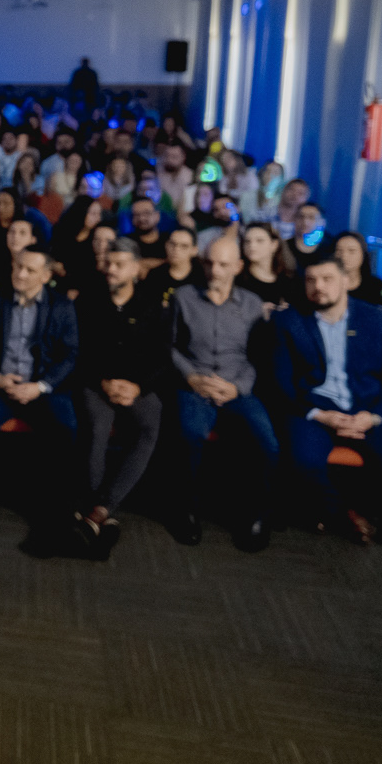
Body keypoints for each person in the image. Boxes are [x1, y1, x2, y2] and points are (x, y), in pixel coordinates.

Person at [271, 256, 382, 543]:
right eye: (311, 280)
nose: (318, 286)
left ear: (345, 281)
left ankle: (345, 505)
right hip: (314, 409)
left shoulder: (376, 318)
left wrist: (372, 417)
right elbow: (282, 383)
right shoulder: (289, 321)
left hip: (365, 410)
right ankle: (344, 512)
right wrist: (321, 415)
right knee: (303, 463)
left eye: (327, 279)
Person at [170, 236, 278, 551]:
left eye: (223, 264)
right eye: (209, 263)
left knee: (267, 442)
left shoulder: (253, 304)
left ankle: (258, 515)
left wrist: (237, 387)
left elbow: (259, 357)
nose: (214, 271)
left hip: (237, 385)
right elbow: (170, 347)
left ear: (238, 267)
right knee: (189, 434)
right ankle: (186, 510)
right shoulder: (183, 297)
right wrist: (191, 377)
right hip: (196, 383)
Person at [0, 245, 80, 551]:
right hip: (1, 384)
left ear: (46, 276)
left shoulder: (61, 306)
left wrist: (40, 386)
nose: (20, 274)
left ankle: (53, 508)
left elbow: (69, 355)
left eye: (30, 270)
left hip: (40, 386)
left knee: (65, 427)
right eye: (17, 267)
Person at [72, 238, 165, 557]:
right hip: (96, 381)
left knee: (149, 426)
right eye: (109, 263)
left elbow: (161, 356)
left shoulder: (151, 304)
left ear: (136, 269)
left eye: (119, 264)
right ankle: (100, 512)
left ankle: (97, 510)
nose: (111, 269)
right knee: (97, 428)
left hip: (137, 385)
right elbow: (79, 351)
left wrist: (137, 386)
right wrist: (103, 381)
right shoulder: (89, 300)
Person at [237, 222, 298, 313]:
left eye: (260, 241)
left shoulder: (289, 280)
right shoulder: (238, 279)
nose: (252, 246)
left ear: (274, 245)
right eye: (247, 241)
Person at [138, 227, 201, 313]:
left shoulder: (201, 276)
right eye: (172, 244)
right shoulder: (155, 275)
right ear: (166, 245)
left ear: (194, 250)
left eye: (184, 246)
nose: (176, 249)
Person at [333, 231, 382, 306]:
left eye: (351, 251)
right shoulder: (326, 284)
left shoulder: (376, 286)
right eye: (339, 250)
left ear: (363, 254)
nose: (344, 256)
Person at [126, 197, 168, 270]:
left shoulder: (169, 240)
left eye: (146, 213)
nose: (141, 218)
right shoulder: (126, 241)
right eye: (136, 214)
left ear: (157, 216)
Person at [289, 201, 331, 269]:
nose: (305, 222)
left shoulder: (332, 246)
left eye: (311, 217)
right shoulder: (285, 246)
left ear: (322, 222)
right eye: (301, 217)